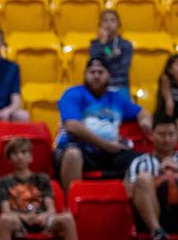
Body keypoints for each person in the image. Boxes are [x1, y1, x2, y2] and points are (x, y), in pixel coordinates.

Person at [55, 57, 151, 191]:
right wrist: (106, 145)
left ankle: (125, 203)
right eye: (92, 72)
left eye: (100, 72)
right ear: (85, 75)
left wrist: (144, 121)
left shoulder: (116, 98)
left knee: (142, 161)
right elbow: (72, 125)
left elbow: (142, 112)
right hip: (79, 148)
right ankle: (71, 205)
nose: (96, 76)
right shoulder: (73, 93)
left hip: (108, 152)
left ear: (108, 76)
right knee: (73, 154)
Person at [0, 137, 79, 240]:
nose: (19, 156)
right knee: (5, 219)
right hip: (18, 220)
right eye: (15, 153)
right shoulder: (3, 182)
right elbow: (6, 211)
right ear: (9, 158)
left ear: (31, 157)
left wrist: (43, 216)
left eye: (23, 152)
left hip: (42, 220)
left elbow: (51, 209)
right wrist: (24, 217)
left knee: (67, 219)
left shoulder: (42, 178)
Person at [90, 10, 134, 92]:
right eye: (105, 20)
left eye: (112, 20)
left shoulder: (125, 45)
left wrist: (106, 64)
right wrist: (102, 44)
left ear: (118, 24)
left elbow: (122, 69)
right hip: (99, 88)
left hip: (119, 86)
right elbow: (96, 65)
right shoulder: (95, 45)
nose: (109, 24)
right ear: (100, 25)